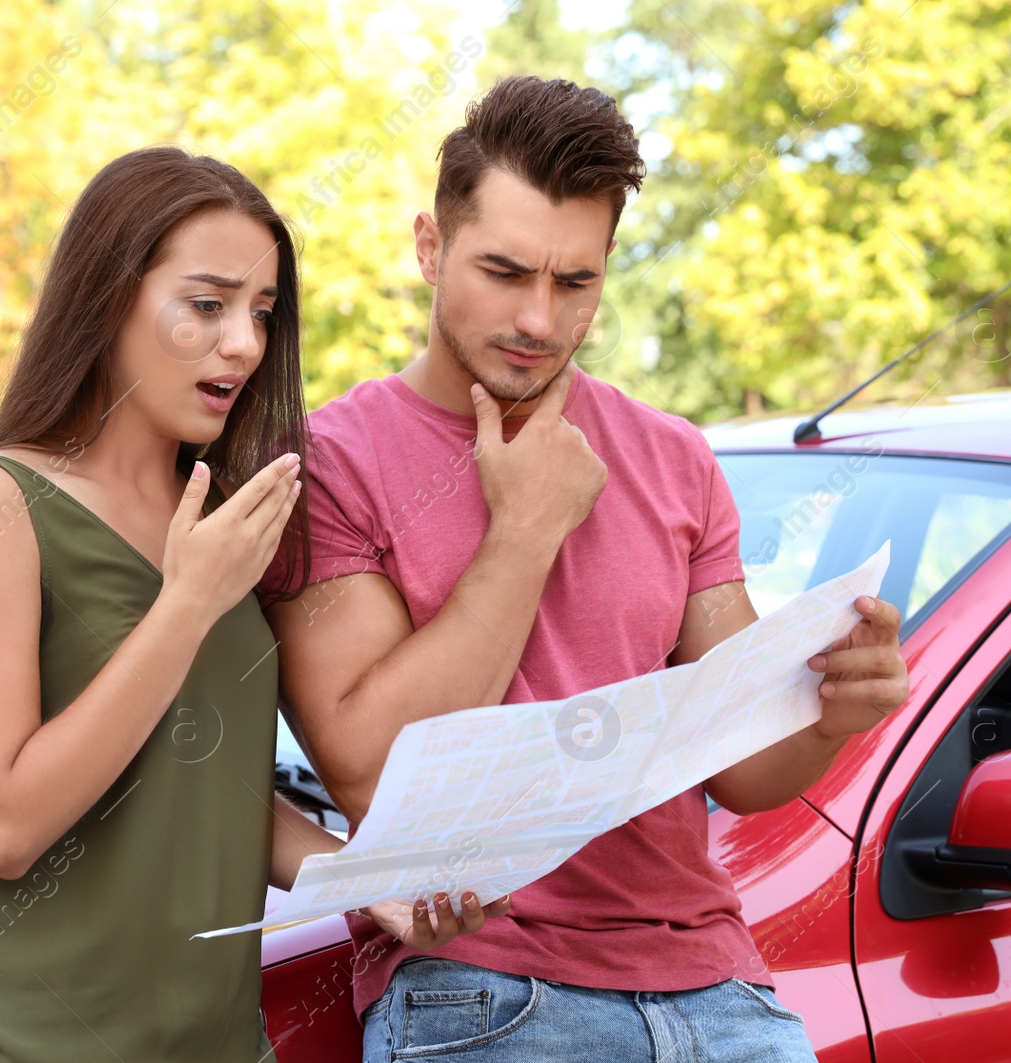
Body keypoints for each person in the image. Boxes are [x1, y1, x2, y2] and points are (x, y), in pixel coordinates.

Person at [259, 77, 910, 1062]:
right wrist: (523, 533)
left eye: (575, 282)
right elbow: (372, 763)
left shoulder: (672, 456)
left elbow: (739, 766)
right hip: (480, 985)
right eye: (503, 271)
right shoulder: (332, 462)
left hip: (717, 986)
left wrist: (831, 713)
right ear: (429, 246)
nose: (536, 316)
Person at [0, 147, 509, 1063]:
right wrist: (187, 605)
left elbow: (205, 784)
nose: (245, 343)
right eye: (207, 305)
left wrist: (367, 879)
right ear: (107, 298)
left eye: (263, 313)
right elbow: (2, 827)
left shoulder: (231, 515)